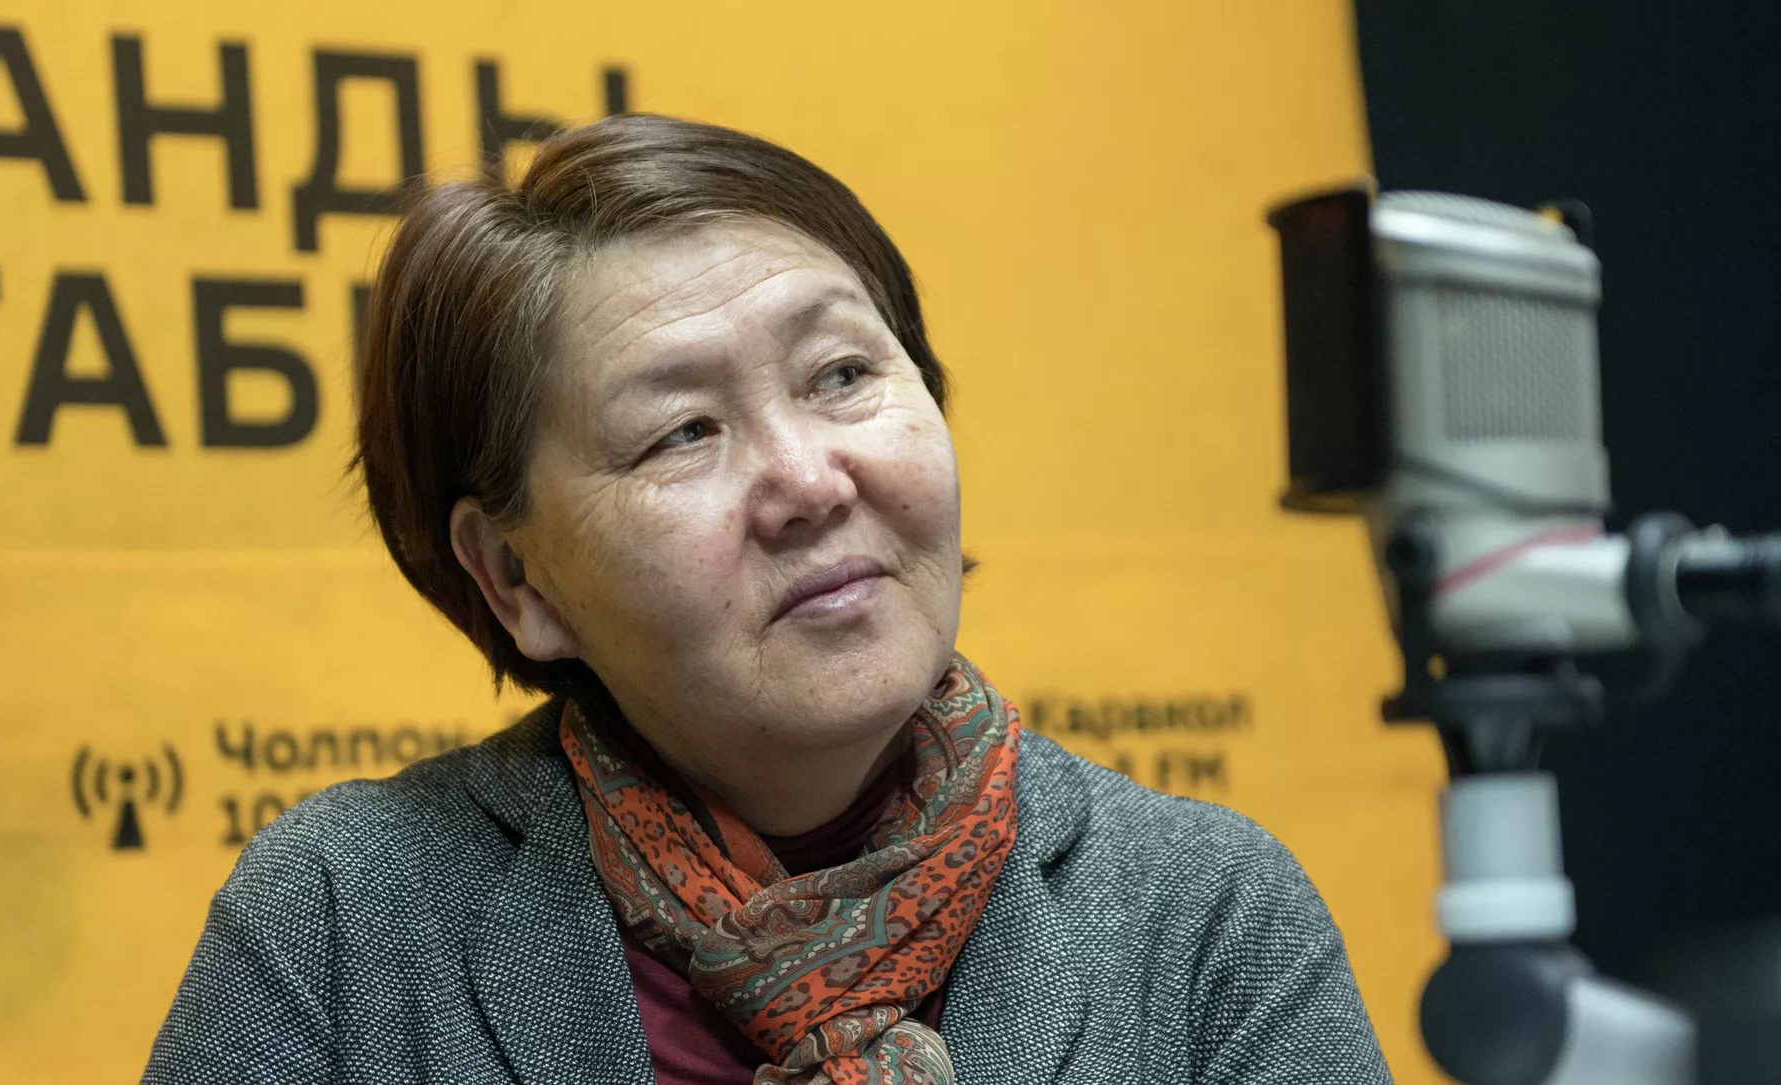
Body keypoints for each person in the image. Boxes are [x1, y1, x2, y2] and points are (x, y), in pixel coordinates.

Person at [144, 114, 1392, 1085]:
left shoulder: (1206, 916)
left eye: (842, 372)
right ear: (515, 579)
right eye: (683, 431)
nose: (808, 480)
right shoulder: (346, 921)